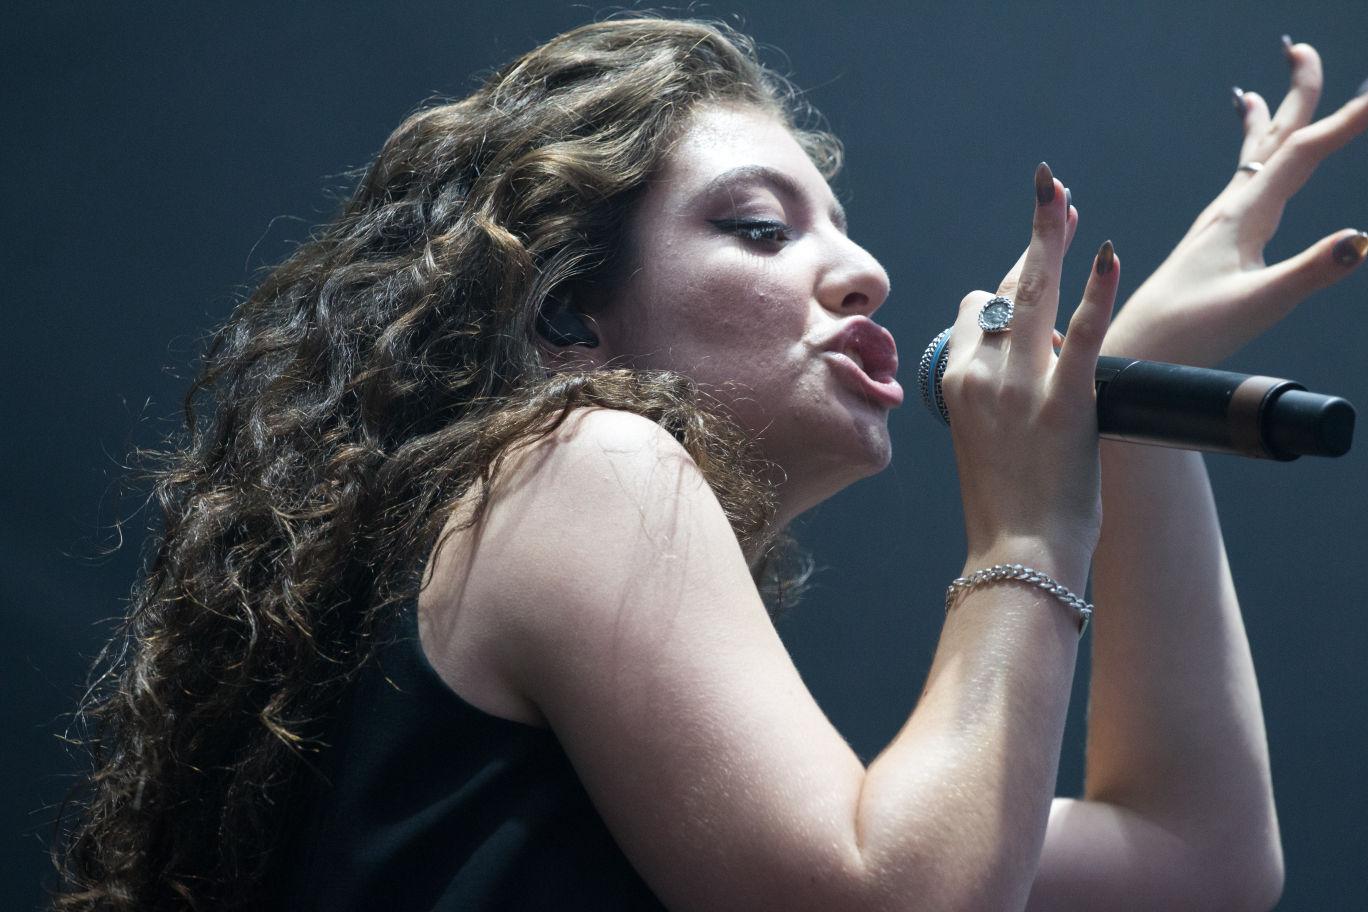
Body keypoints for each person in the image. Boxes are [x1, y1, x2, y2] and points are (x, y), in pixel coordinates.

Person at [51, 17, 1368, 912]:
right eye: (758, 228)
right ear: (572, 317)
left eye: (839, 228)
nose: (865, 271)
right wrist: (1025, 536)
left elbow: (1199, 860)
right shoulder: (586, 461)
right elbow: (887, 896)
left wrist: (1122, 404)